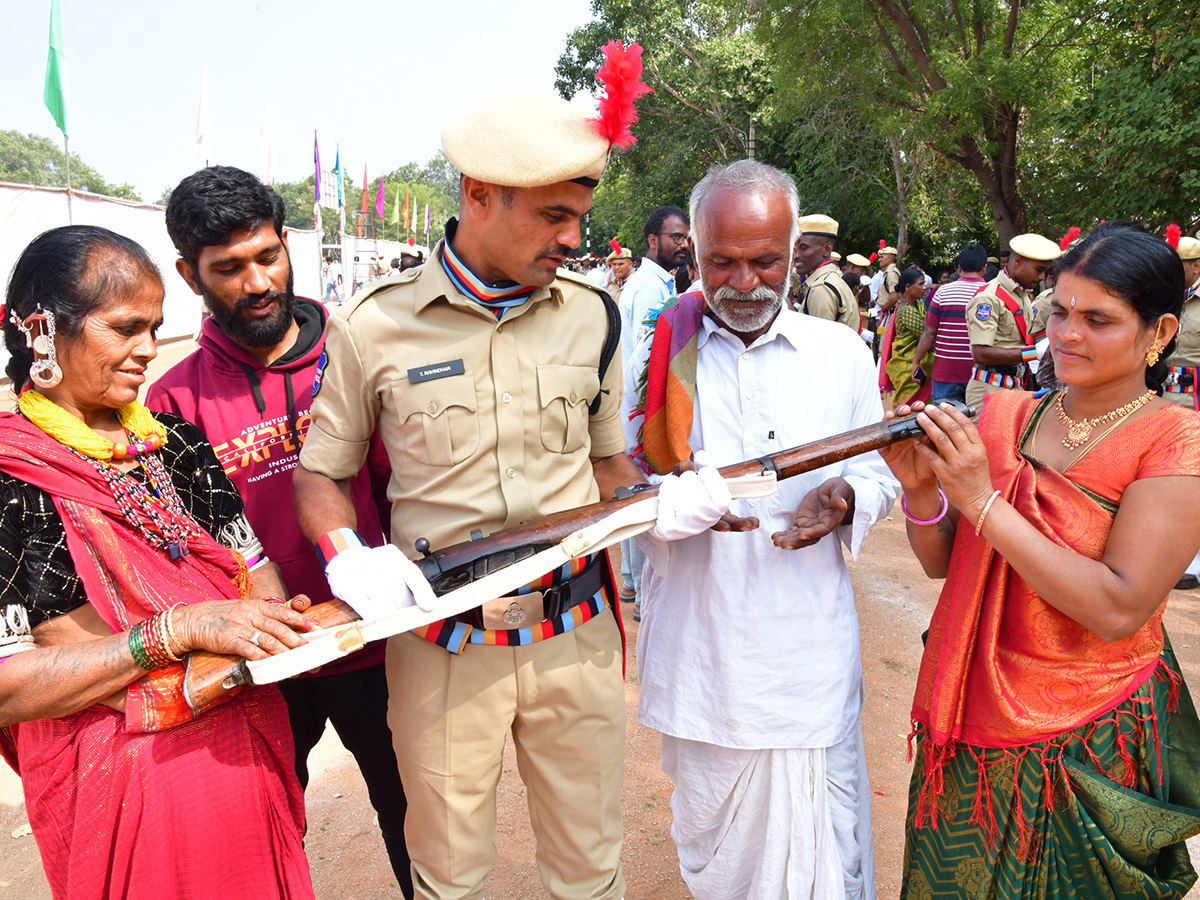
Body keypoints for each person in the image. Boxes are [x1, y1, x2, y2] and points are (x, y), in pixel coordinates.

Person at [291, 81, 729, 900]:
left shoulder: (593, 315)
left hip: (576, 634)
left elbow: (607, 465)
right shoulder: (376, 323)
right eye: (551, 216)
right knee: (449, 875)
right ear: (479, 195)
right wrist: (347, 555)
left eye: (579, 218)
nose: (572, 238)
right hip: (444, 644)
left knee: (591, 866)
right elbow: (323, 469)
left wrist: (660, 500)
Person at [880, 222, 1200, 898]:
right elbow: (946, 565)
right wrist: (921, 491)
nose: (1067, 334)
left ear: (1160, 331)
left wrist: (983, 501)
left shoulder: (1174, 439)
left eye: (1098, 319)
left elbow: (1119, 605)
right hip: (972, 726)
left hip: (1090, 736)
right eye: (1059, 310)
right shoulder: (1012, 416)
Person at [0, 225, 317, 899]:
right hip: (121, 789)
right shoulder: (10, 475)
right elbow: (8, 682)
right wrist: (174, 631)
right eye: (125, 329)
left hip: (239, 746)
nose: (148, 350)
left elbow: (254, 576)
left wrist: (270, 623)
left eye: (156, 328)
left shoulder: (177, 444)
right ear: (41, 332)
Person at [624, 159, 899, 900]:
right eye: (721, 262)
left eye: (764, 262)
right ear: (694, 250)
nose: (743, 283)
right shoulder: (657, 357)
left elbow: (879, 472)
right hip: (702, 657)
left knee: (821, 859)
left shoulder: (840, 352)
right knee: (721, 853)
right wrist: (667, 503)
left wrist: (846, 495)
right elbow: (616, 484)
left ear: (793, 250)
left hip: (807, 658)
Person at [145, 166, 414, 897]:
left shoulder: (355, 352)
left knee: (415, 819)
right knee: (264, 832)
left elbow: (407, 491)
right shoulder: (172, 400)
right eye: (228, 269)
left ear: (287, 243)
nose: (257, 281)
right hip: (267, 665)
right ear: (188, 274)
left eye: (267, 256)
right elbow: (187, 548)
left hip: (378, 643)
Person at [965, 233, 1061, 407]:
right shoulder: (988, 298)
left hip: (1014, 385)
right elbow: (980, 353)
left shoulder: (1023, 295)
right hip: (990, 389)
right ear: (1018, 262)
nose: (1041, 277)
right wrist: (1034, 352)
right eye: (1039, 270)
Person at [911, 243, 987, 404]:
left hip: (945, 372)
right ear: (985, 268)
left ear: (959, 268)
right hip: (981, 375)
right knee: (976, 425)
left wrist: (916, 360)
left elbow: (929, 333)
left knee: (943, 423)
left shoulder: (942, 292)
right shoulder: (993, 293)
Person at [619, 205, 690, 355]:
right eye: (677, 237)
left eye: (687, 238)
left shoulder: (660, 282)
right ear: (653, 241)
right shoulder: (648, 287)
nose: (684, 245)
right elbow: (645, 355)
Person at [793, 214, 860, 331]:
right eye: (795, 247)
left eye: (803, 247)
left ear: (827, 249)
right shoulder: (832, 279)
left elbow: (819, 345)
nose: (796, 254)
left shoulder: (821, 288)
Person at [884, 268, 935, 405]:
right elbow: (927, 336)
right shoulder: (906, 311)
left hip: (913, 364)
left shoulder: (917, 305)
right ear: (908, 287)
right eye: (920, 284)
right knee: (908, 409)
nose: (923, 288)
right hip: (907, 367)